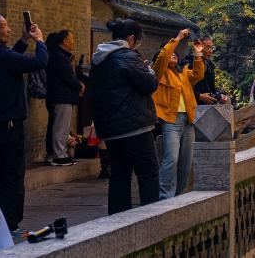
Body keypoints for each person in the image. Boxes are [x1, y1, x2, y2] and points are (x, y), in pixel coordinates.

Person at [89, 18, 160, 214]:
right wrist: (149, 70)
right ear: (130, 39)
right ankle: (151, 218)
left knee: (119, 175)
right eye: (138, 41)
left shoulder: (98, 59)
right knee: (148, 173)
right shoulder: (128, 56)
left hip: (111, 130)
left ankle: (118, 221)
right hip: (134, 126)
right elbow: (149, 84)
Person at [0, 14, 47, 233]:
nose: (8, 29)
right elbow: (39, 62)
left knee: (1, 173)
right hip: (11, 122)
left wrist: (23, 40)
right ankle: (9, 222)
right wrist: (39, 40)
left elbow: (11, 60)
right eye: (4, 26)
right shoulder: (1, 57)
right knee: (13, 173)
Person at [153, 29, 206, 200]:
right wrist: (177, 38)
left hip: (189, 121)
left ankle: (178, 195)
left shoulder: (183, 74)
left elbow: (198, 74)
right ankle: (165, 197)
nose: (174, 55)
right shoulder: (159, 73)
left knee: (186, 162)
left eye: (176, 54)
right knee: (171, 159)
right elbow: (163, 56)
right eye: (171, 53)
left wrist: (198, 54)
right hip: (171, 120)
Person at [45, 29, 82, 166]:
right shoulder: (58, 57)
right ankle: (59, 155)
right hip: (61, 96)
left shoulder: (60, 56)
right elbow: (68, 77)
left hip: (62, 96)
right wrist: (79, 86)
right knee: (60, 127)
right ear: (64, 41)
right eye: (71, 39)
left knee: (61, 126)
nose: (73, 42)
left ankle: (59, 153)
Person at [191, 36, 229, 106]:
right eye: (207, 47)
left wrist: (220, 95)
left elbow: (212, 88)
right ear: (197, 47)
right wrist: (199, 96)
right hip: (191, 104)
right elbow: (182, 87)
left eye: (212, 48)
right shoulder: (188, 63)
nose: (210, 51)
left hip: (207, 104)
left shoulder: (209, 64)